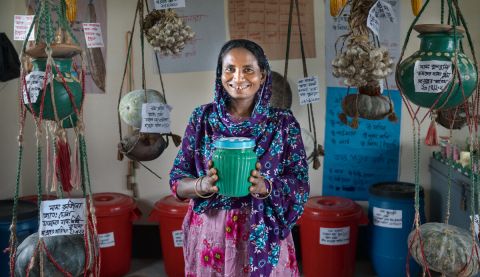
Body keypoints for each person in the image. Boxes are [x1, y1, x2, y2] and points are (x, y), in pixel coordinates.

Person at [169, 39, 310, 277]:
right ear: (219, 73)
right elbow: (176, 181)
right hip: (211, 234)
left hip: (263, 232)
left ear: (263, 75)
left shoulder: (283, 123)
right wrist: (201, 185)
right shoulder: (202, 118)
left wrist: (267, 187)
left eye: (248, 69)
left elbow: (300, 183)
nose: (238, 77)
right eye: (230, 69)